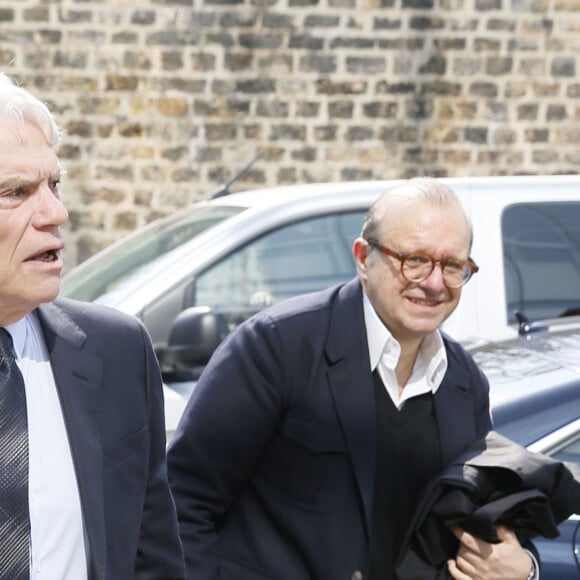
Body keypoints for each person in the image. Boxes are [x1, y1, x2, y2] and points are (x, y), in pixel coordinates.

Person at [167, 177, 539, 579]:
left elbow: (483, 521)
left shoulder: (464, 384)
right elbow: (181, 506)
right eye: (414, 260)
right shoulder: (276, 347)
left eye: (453, 266)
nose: (434, 283)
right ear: (363, 258)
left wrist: (526, 568)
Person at [0, 72, 185, 578]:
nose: (54, 212)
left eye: (54, 185)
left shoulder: (117, 352)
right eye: (16, 192)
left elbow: (153, 556)